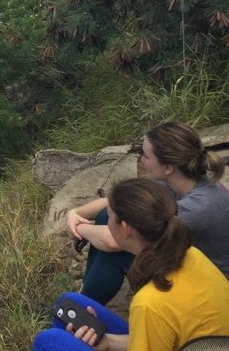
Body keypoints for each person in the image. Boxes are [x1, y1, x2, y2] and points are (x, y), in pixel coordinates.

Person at [34, 178, 229, 350]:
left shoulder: (148, 304)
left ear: (126, 229)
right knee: (70, 303)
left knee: (49, 341)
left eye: (109, 215)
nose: (105, 220)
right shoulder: (191, 254)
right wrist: (109, 343)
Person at [66, 122, 229, 304]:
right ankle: (82, 301)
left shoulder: (197, 208)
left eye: (146, 155)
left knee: (118, 250)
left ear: (167, 167)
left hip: (211, 289)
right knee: (108, 215)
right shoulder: (178, 181)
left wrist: (80, 229)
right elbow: (116, 202)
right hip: (190, 265)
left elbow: (114, 241)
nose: (141, 160)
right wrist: (75, 213)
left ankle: (78, 310)